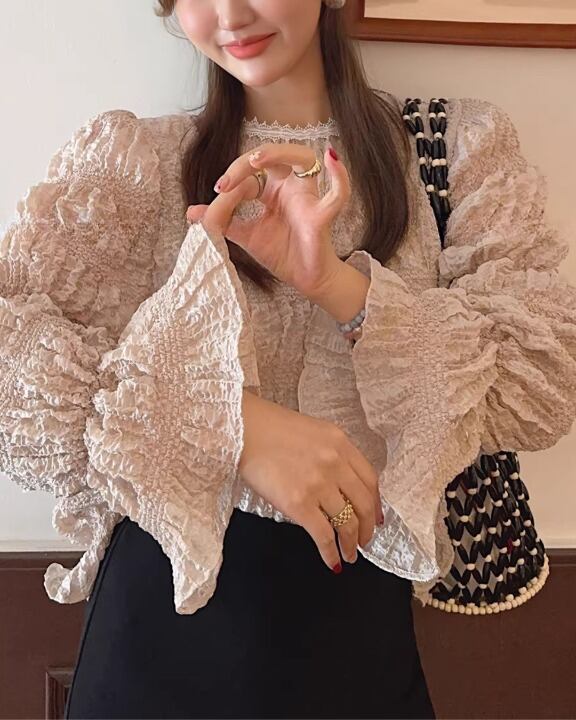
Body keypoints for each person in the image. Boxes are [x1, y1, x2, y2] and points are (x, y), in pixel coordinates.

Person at [1, 0, 575, 717]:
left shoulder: (454, 150)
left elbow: (538, 384)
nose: (230, 12)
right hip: (159, 620)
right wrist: (228, 424)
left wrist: (340, 287)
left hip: (358, 621)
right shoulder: (135, 163)